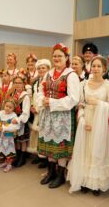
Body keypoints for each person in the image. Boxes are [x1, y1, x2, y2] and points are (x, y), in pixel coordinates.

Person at [68, 56, 109, 195]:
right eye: (93, 66)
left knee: (97, 150)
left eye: (98, 66)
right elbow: (80, 104)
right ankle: (84, 180)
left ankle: (96, 183)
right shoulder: (83, 84)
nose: (95, 69)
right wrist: (83, 119)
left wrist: (99, 103)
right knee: (85, 149)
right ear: (89, 67)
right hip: (86, 120)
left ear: (104, 69)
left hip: (100, 122)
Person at [38, 43, 80, 189]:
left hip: (63, 116)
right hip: (48, 114)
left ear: (66, 58)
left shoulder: (71, 74)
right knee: (50, 144)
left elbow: (74, 98)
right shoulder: (48, 74)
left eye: (60, 56)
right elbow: (40, 91)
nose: (57, 58)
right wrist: (42, 100)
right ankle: (50, 172)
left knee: (60, 145)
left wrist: (53, 102)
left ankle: (60, 175)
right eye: (55, 56)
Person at [27, 59, 51, 169]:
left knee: (44, 135)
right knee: (36, 135)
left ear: (48, 69)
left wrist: (39, 108)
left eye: (43, 68)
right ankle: (38, 154)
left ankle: (46, 158)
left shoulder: (49, 81)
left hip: (44, 111)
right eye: (39, 68)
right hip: (35, 111)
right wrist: (32, 106)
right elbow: (33, 96)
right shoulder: (36, 82)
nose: (41, 70)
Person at [7, 75, 30, 167]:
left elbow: (26, 111)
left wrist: (18, 120)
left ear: (23, 84)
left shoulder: (25, 96)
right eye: (15, 83)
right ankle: (17, 156)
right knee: (16, 140)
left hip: (21, 120)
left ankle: (22, 158)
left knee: (22, 140)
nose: (17, 85)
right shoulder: (12, 94)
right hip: (12, 120)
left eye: (19, 83)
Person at [0, 98, 20, 172]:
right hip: (1, 136)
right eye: (6, 106)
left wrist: (3, 127)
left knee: (9, 150)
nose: (8, 108)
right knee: (3, 149)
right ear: (4, 105)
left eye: (10, 107)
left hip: (8, 136)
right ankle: (5, 162)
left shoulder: (14, 116)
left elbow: (15, 127)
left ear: (13, 108)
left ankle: (9, 164)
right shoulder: (1, 113)